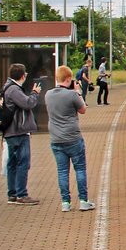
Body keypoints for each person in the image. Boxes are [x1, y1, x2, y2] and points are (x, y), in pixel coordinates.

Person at [44, 65, 95, 213]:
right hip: (73, 137)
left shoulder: (48, 95)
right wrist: (78, 92)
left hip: (56, 138)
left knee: (62, 171)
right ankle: (83, 201)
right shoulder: (72, 95)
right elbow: (83, 109)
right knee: (79, 169)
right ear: (68, 79)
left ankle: (65, 203)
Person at [1, 63, 42, 204]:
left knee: (12, 163)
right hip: (18, 131)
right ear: (23, 75)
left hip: (10, 131)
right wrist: (35, 93)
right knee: (22, 162)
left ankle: (12, 193)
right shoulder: (13, 90)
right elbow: (28, 103)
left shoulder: (7, 87)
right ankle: (21, 194)